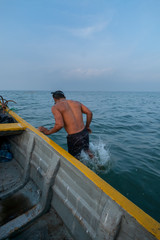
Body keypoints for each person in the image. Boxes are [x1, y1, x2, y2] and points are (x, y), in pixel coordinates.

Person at [38, 91, 93, 159]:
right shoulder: (76, 103)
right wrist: (87, 126)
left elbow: (59, 125)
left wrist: (48, 132)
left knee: (74, 160)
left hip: (74, 137)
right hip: (84, 132)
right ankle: (98, 164)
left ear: (54, 99)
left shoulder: (56, 107)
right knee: (87, 151)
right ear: (64, 97)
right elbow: (89, 113)